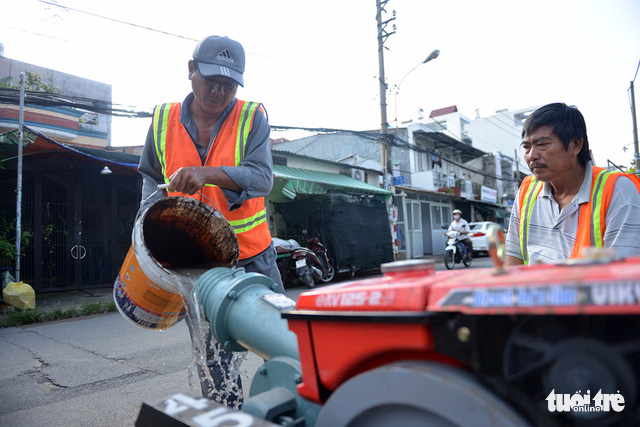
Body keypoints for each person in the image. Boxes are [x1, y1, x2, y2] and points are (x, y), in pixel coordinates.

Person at [136, 35, 283, 407]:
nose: (219, 91)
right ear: (191, 70)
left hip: (252, 259)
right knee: (214, 360)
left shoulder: (252, 117)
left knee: (282, 344)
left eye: (229, 85)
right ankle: (226, 415)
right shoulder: (162, 119)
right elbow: (151, 177)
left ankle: (286, 410)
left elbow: (262, 178)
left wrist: (207, 173)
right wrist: (144, 220)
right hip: (197, 266)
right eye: (211, 80)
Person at [505, 103, 640, 266]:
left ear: (575, 145)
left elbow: (622, 277)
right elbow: (513, 260)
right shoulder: (527, 190)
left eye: (542, 145)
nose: (531, 155)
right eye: (526, 147)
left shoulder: (618, 191)